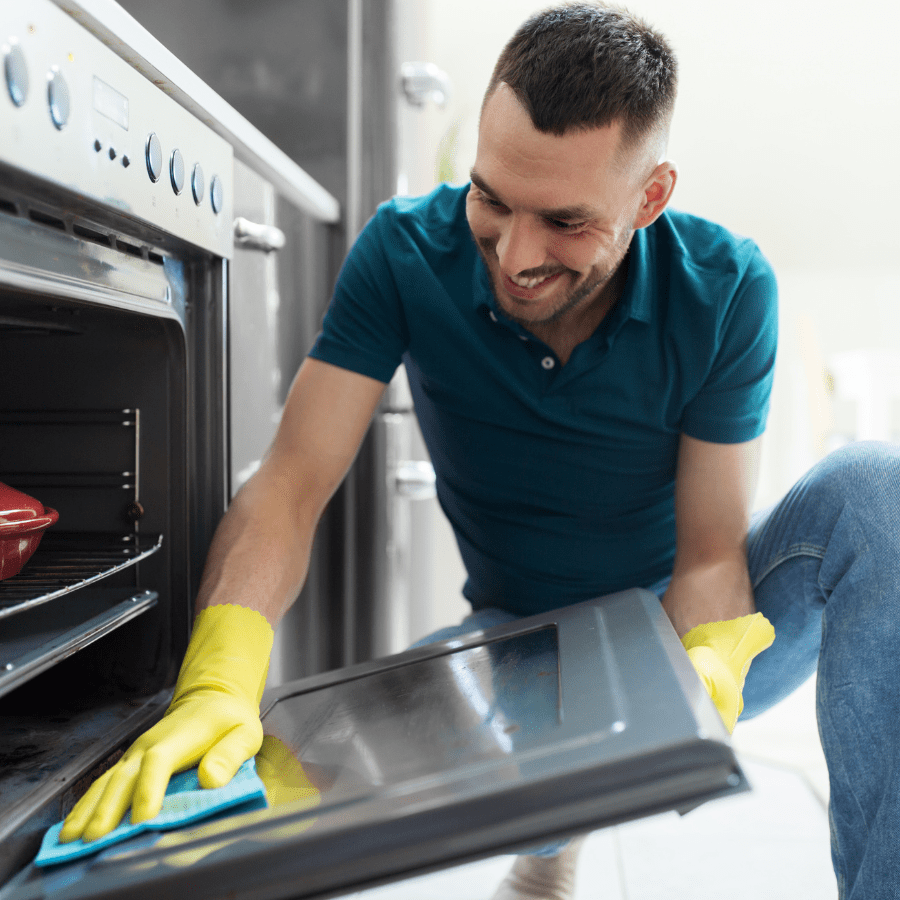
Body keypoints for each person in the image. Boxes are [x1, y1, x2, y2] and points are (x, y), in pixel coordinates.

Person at [60, 4, 900, 899]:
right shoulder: (403, 251)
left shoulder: (728, 288)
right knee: (267, 804)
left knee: (876, 492)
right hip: (512, 651)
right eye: (492, 198)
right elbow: (292, 483)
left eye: (566, 222)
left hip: (681, 632)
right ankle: (553, 832)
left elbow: (709, 558)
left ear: (650, 197)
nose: (516, 253)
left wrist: (694, 679)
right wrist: (217, 680)